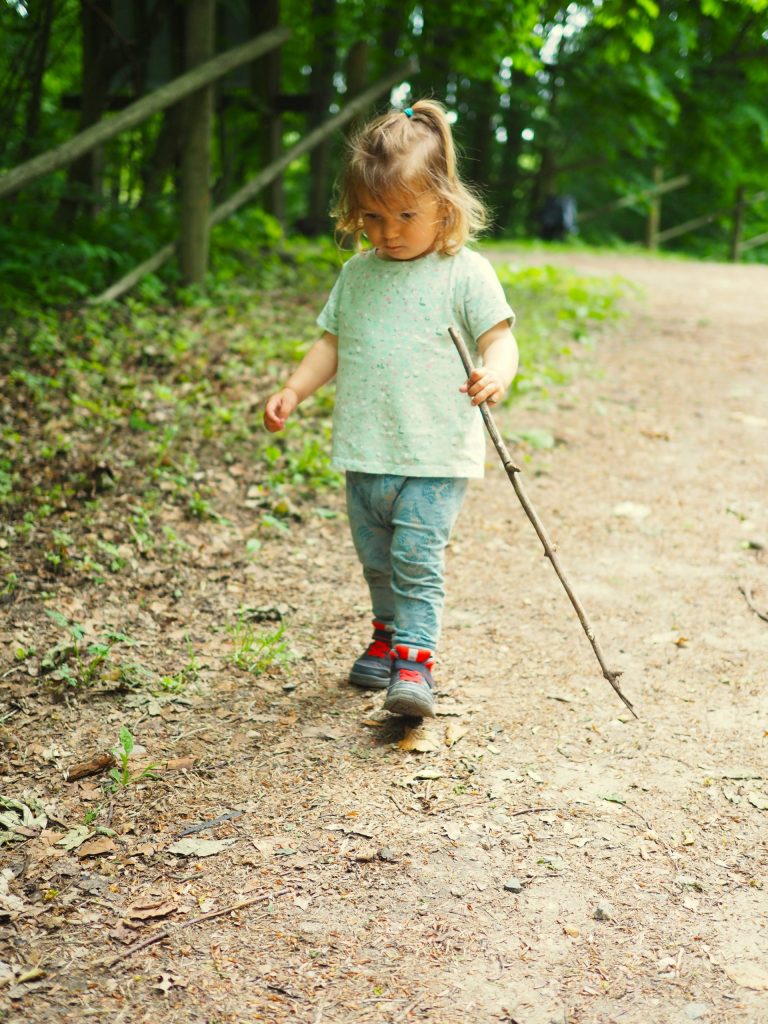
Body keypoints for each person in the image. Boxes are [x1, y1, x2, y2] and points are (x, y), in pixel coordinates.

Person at [264, 99, 518, 718]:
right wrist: (295, 389)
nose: (389, 231)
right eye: (373, 217)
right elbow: (332, 342)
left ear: (445, 206)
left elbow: (500, 337)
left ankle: (415, 661)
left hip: (433, 456)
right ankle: (386, 633)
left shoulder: (464, 273)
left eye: (407, 214)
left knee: (415, 558)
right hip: (368, 450)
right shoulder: (357, 275)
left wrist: (496, 374)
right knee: (377, 560)